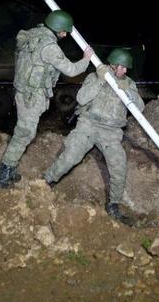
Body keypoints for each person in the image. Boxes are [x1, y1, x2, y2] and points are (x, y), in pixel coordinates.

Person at [43, 49, 142, 224]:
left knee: (119, 165)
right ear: (113, 65)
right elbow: (81, 99)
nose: (125, 71)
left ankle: (113, 205)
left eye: (127, 68)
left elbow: (139, 108)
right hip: (88, 125)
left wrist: (128, 92)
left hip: (111, 132)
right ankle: (45, 183)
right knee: (70, 156)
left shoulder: (129, 83)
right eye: (122, 67)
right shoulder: (96, 76)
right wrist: (100, 80)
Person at [0, 9, 94, 188]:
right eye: (64, 31)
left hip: (22, 91)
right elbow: (71, 70)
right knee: (24, 134)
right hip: (32, 96)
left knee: (23, 132)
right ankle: (4, 173)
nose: (65, 35)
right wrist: (86, 59)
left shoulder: (32, 34)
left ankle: (10, 167)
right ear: (57, 28)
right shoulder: (50, 47)